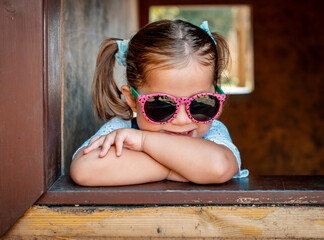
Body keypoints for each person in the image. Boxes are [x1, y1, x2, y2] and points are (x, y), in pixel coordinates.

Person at [70, 19, 249, 186]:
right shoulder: (121, 130)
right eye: (162, 105)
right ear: (132, 99)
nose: (182, 120)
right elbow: (84, 170)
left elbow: (219, 168)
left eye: (199, 104)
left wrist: (143, 141)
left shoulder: (213, 132)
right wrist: (179, 168)